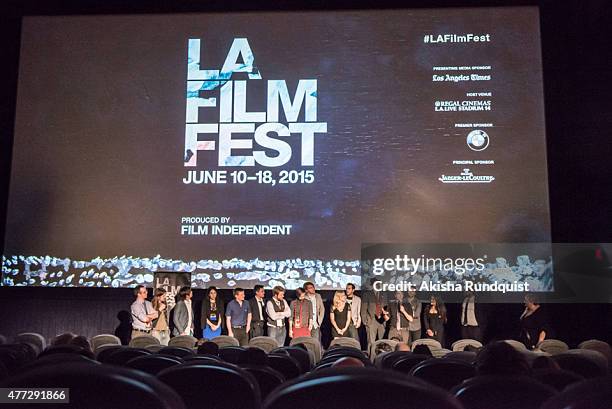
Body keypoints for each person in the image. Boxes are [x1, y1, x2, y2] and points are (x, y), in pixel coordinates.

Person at [361, 277, 388, 357]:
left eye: (379, 284)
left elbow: (386, 307)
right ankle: (370, 358)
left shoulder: (383, 294)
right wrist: (365, 321)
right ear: (373, 285)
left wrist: (385, 319)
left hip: (382, 321)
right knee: (371, 342)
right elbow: (363, 309)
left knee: (381, 341)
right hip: (371, 320)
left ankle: (380, 358)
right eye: (376, 284)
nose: (378, 285)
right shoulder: (367, 294)